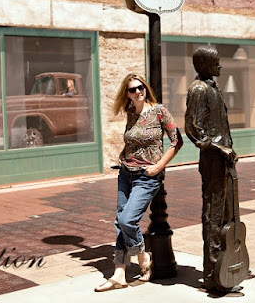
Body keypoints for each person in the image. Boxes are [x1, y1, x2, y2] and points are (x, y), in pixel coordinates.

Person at [95, 73, 183, 292]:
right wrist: (122, 156)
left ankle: (144, 258)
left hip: (147, 176)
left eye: (141, 87)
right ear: (127, 94)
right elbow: (133, 141)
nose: (138, 91)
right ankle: (119, 273)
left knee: (127, 221)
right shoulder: (131, 112)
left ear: (146, 88)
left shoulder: (159, 111)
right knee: (119, 222)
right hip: (126, 173)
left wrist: (158, 167)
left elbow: (176, 140)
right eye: (133, 89)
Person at [185, 46, 244, 293]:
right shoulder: (198, 90)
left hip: (226, 160)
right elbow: (192, 128)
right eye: (216, 63)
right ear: (204, 65)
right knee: (214, 213)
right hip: (213, 162)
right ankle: (212, 274)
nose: (220, 66)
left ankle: (230, 263)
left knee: (231, 213)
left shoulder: (213, 87)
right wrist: (219, 148)